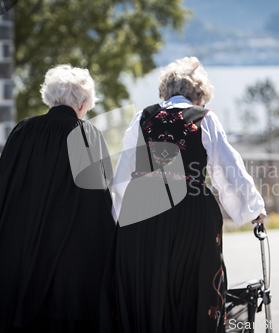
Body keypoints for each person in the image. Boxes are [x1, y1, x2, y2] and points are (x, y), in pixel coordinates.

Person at [107, 57, 266, 333]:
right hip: (191, 212)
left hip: (145, 212)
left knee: (151, 285)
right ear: (199, 95)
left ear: (164, 92)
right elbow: (228, 170)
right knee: (195, 285)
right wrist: (253, 209)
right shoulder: (205, 119)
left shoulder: (143, 118)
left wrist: (116, 218)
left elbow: (123, 175)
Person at [0, 65, 116, 332]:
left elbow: (4, 195)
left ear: (51, 97)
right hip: (70, 273)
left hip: (23, 262)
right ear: (82, 103)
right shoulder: (86, 135)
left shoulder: (23, 131)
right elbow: (100, 206)